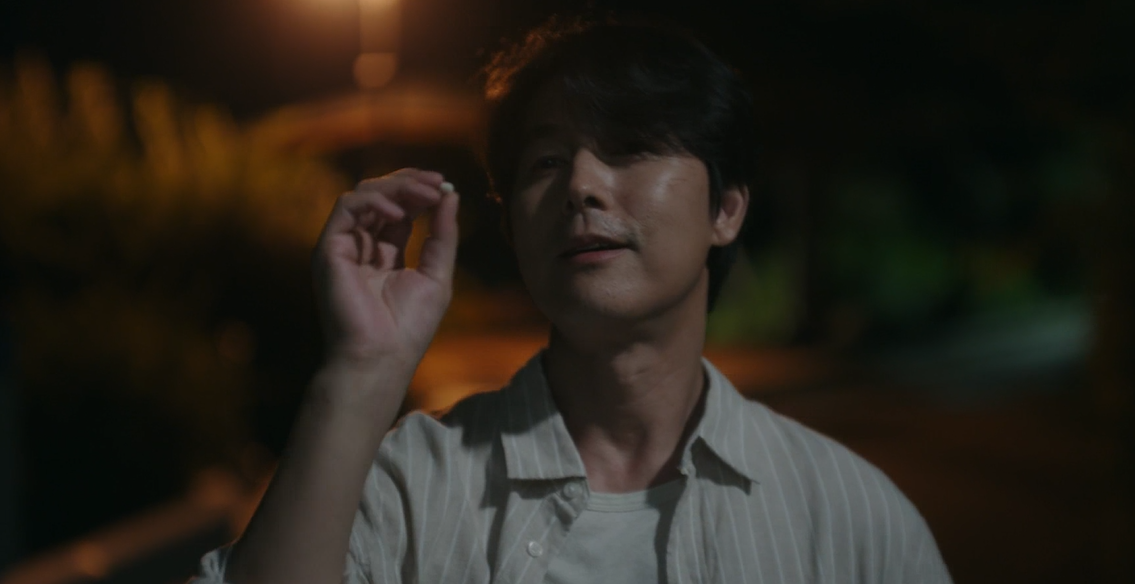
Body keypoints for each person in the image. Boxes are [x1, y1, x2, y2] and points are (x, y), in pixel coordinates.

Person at [192, 18, 952, 584]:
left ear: (725, 209)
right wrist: (361, 370)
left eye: (629, 148)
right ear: (513, 225)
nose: (582, 185)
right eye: (547, 161)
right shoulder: (410, 483)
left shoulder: (850, 514)